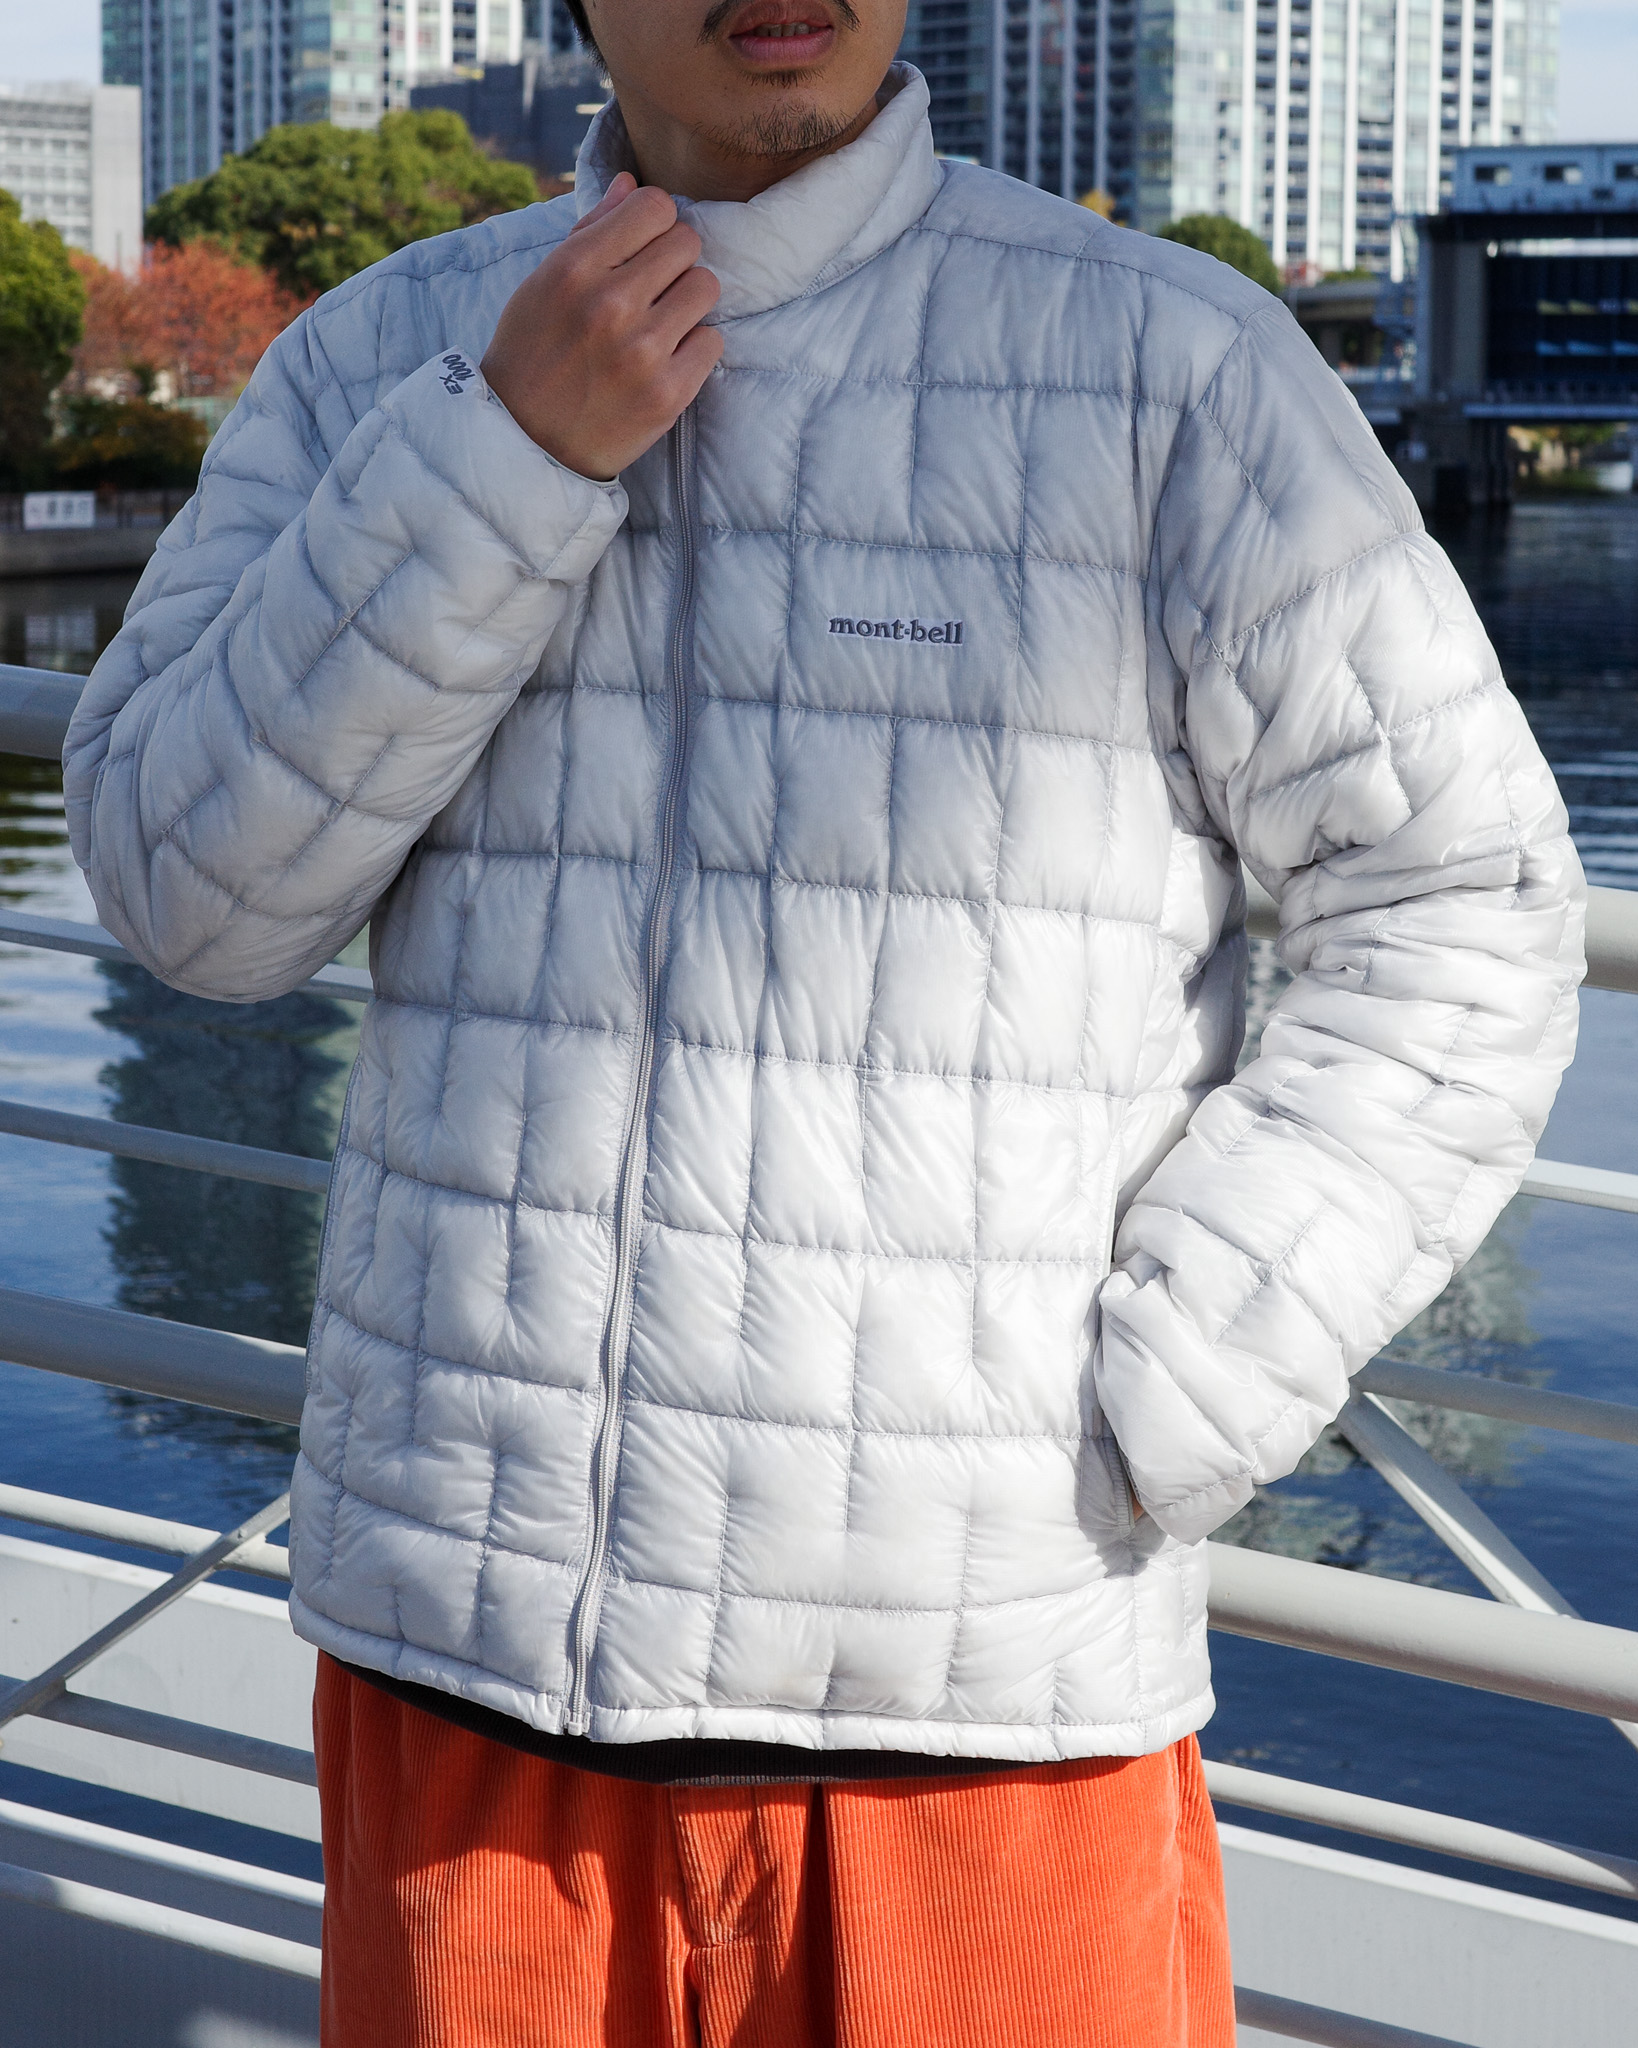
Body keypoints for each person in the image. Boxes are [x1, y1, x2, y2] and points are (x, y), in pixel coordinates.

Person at [62, 0, 1584, 2040]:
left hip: (982, 1712)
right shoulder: (385, 359)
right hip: (471, 1681)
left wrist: (1175, 1384)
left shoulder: (1174, 368)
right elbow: (185, 892)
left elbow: (1464, 900)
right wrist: (499, 458)